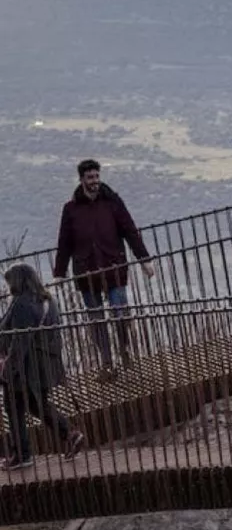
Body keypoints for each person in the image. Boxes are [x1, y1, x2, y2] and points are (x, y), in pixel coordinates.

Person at [52, 159, 153, 376]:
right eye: (90, 178)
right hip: (86, 271)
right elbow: (65, 243)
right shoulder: (71, 210)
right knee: (97, 319)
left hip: (113, 266)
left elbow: (130, 230)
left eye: (97, 176)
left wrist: (144, 259)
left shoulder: (113, 202)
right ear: (81, 180)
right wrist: (59, 274)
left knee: (120, 312)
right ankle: (107, 361)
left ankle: (124, 351)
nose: (95, 181)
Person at [0, 265, 86, 470]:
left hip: (27, 368)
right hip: (45, 366)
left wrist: (7, 369)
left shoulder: (22, 303)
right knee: (36, 404)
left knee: (13, 407)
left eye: (9, 281)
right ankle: (70, 434)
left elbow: (21, 340)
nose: (8, 286)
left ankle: (22, 454)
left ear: (18, 281)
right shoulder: (47, 300)